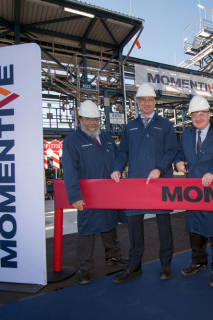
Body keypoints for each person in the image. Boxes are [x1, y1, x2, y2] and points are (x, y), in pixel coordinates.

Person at [111, 83, 178, 283]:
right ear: (138, 102)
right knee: (134, 226)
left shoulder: (165, 125)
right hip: (135, 183)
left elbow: (172, 150)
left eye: (150, 99)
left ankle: (166, 264)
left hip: (160, 182)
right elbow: (122, 151)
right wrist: (116, 168)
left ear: (155, 102)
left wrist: (160, 168)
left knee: (164, 226)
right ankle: (134, 266)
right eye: (143, 100)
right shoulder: (130, 127)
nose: (146, 103)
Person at [62, 100, 126, 285]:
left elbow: (116, 157)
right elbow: (70, 170)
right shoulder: (72, 141)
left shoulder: (105, 137)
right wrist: (75, 196)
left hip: (108, 192)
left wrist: (119, 170)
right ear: (80, 119)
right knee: (87, 230)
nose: (92, 123)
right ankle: (85, 267)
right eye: (87, 119)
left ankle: (113, 256)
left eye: (95, 119)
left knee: (110, 224)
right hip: (87, 195)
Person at [174, 95, 213, 288]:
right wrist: (178, 161)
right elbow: (179, 153)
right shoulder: (186, 134)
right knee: (195, 229)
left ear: (209, 114)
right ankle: (199, 261)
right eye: (194, 115)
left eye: (202, 114)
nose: (198, 118)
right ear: (190, 116)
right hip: (193, 190)